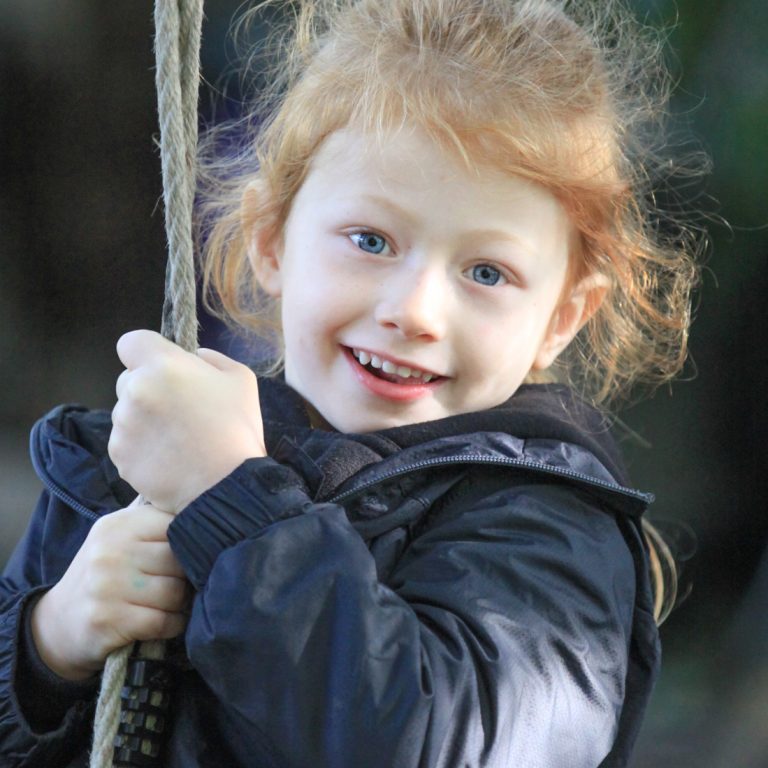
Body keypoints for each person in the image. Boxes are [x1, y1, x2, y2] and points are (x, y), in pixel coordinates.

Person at [0, 0, 700, 765]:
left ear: (563, 316)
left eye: (487, 272)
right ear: (271, 239)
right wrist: (48, 644)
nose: (415, 311)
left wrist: (235, 505)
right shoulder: (130, 465)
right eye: (371, 240)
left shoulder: (549, 538)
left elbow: (418, 743)